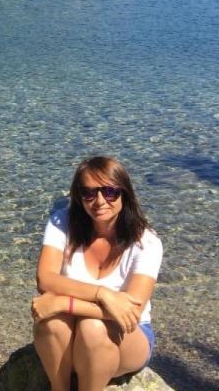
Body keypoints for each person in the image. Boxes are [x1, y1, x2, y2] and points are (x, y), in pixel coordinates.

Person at [31, 156, 163, 391]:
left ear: (125, 194)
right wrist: (104, 295)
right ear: (78, 196)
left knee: (92, 328)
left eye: (110, 191)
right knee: (51, 325)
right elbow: (46, 279)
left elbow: (130, 313)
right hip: (73, 331)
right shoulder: (63, 222)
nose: (99, 201)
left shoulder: (147, 242)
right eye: (88, 193)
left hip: (129, 335)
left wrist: (63, 302)